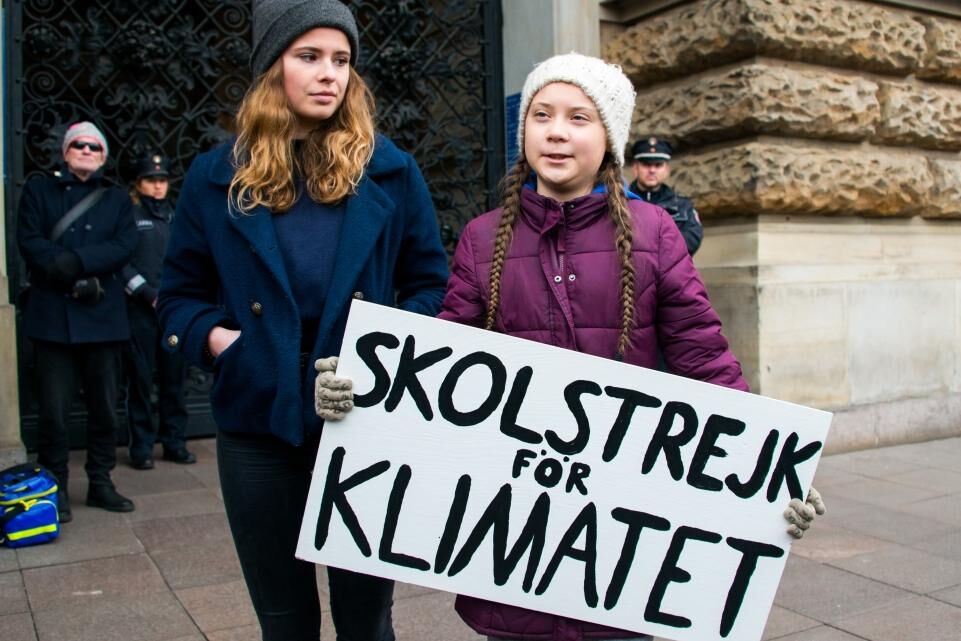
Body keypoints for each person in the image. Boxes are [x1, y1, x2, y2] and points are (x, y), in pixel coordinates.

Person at [316, 52, 825, 641]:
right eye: (541, 115)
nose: (556, 131)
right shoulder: (481, 241)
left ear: (609, 139)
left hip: (620, 546)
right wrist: (362, 397)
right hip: (514, 547)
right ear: (523, 130)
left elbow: (705, 361)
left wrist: (771, 467)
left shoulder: (656, 235)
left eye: (579, 117)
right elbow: (435, 371)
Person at [156, 1, 449, 639]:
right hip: (259, 427)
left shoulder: (391, 171)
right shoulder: (215, 177)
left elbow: (431, 286)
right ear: (271, 68)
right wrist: (223, 341)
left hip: (365, 425)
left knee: (366, 620)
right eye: (308, 57)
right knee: (285, 620)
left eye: (341, 60)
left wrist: (380, 353)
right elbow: (177, 295)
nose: (329, 75)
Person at [17, 121, 139, 522]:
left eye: (94, 147)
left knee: (104, 410)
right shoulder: (38, 191)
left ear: (103, 156)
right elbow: (29, 239)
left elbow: (124, 244)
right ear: (66, 151)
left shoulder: (118, 199)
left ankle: (101, 481)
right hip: (53, 319)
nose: (86, 151)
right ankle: (55, 486)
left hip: (102, 319)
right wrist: (63, 267)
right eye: (79, 145)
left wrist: (78, 262)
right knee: (53, 411)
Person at [122, 152, 194, 470]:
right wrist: (147, 294)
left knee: (174, 381)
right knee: (140, 382)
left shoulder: (174, 215)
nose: (158, 186)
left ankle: (174, 442)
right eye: (151, 180)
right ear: (139, 184)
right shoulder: (129, 215)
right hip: (140, 310)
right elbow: (121, 262)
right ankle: (141, 447)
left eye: (162, 180)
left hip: (171, 311)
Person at [628, 137, 703, 256]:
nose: (652, 170)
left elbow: (693, 238)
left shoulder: (682, 204)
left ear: (667, 170)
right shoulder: (620, 201)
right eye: (646, 164)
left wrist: (655, 246)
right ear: (635, 168)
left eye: (658, 165)